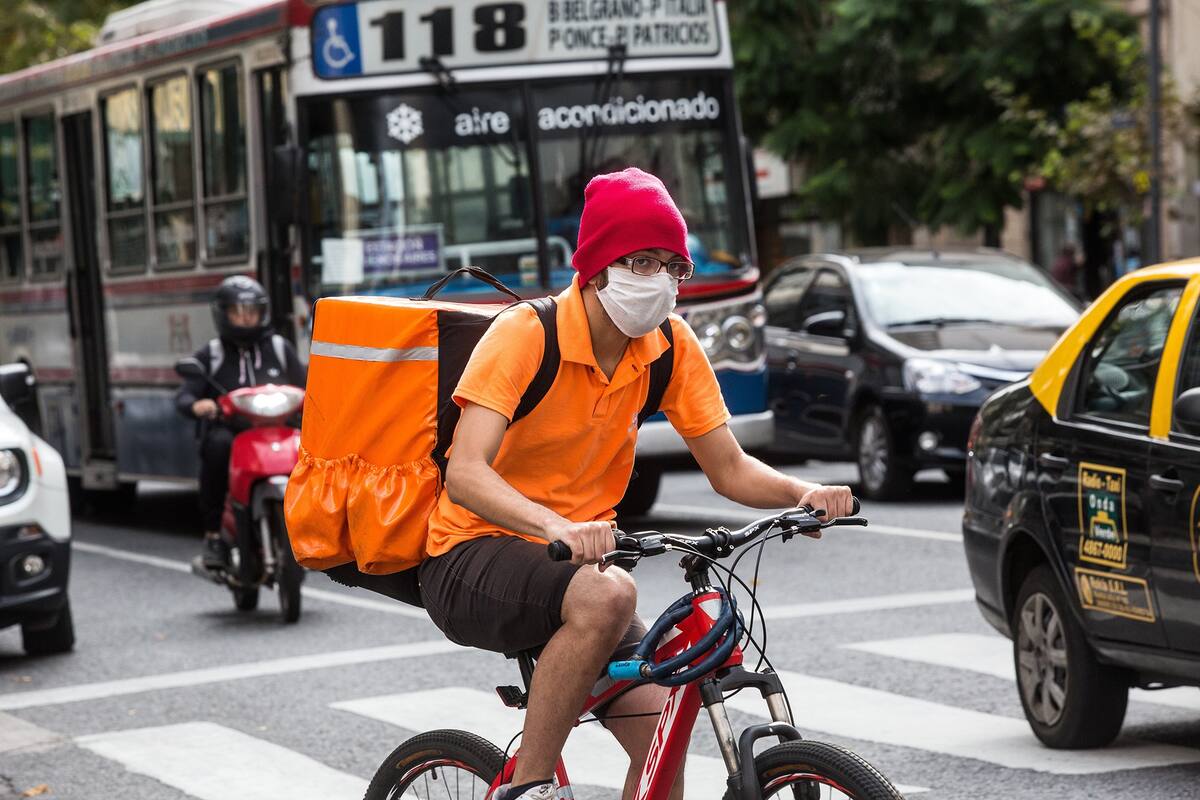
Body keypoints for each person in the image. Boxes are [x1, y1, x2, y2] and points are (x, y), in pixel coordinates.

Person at [419, 168, 853, 800]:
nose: (661, 281)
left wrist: (801, 495)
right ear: (596, 267)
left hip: (579, 569)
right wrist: (557, 527)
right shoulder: (523, 335)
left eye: (672, 266)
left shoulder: (669, 346)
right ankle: (533, 786)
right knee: (609, 593)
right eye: (642, 262)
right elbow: (465, 473)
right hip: (470, 555)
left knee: (662, 744)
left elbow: (729, 468)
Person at [175, 276, 305, 569]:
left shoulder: (280, 348)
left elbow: (310, 384)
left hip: (279, 430)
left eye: (252, 311)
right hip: (233, 433)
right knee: (216, 447)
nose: (245, 318)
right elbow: (185, 395)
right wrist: (197, 404)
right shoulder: (213, 353)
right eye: (237, 311)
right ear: (223, 314)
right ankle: (213, 538)